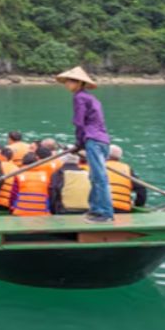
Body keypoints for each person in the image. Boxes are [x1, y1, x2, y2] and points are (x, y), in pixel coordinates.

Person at [57, 65, 114, 223]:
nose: (67, 85)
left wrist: (79, 143)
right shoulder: (92, 98)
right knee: (96, 176)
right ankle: (96, 209)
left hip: (93, 140)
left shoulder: (79, 97)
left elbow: (79, 122)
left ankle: (105, 213)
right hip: (102, 140)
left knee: (99, 177)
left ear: (78, 83)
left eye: (69, 82)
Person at [106, 145, 147, 213]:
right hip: (123, 208)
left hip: (101, 208)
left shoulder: (98, 167)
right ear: (120, 157)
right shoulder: (127, 169)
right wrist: (139, 205)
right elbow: (141, 189)